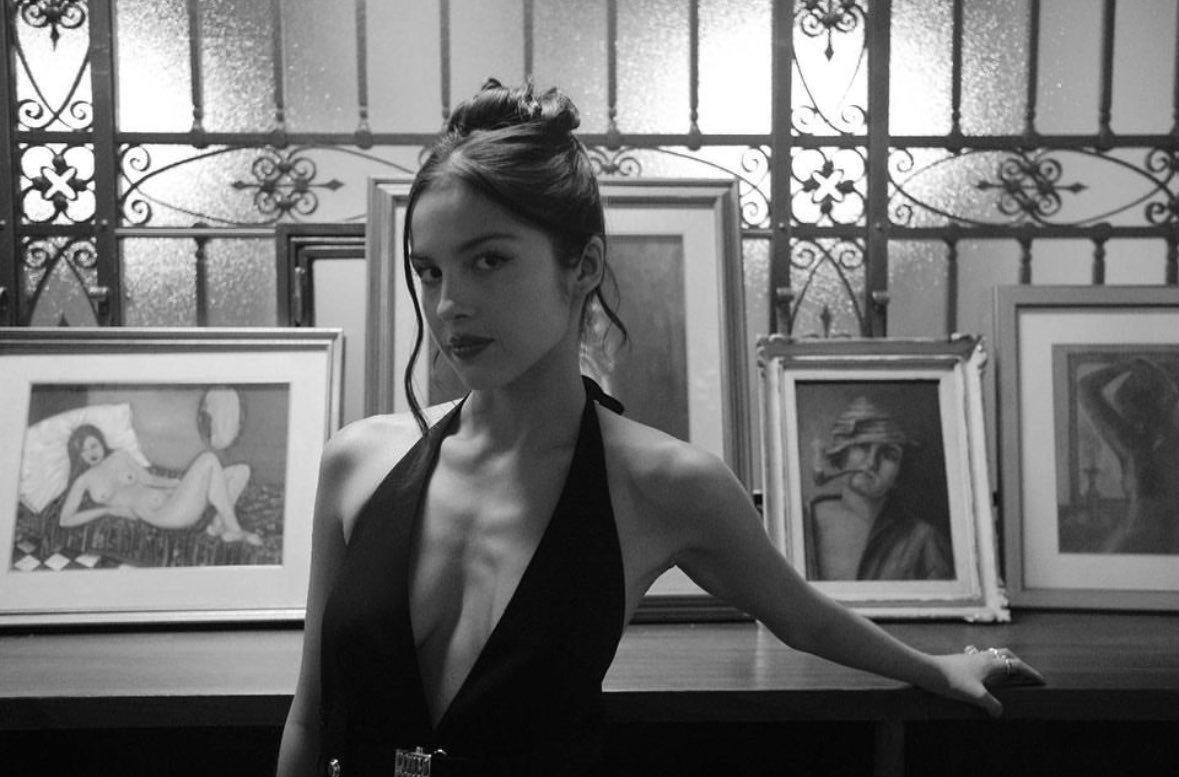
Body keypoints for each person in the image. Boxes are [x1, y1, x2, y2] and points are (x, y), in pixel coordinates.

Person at [276, 79, 1043, 777]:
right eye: (430, 270)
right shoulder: (357, 462)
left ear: (582, 266)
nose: (449, 306)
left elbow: (800, 616)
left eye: (488, 261)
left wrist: (936, 668)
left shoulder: (665, 484)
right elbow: (309, 719)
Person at [809, 396, 954, 580]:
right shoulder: (806, 519)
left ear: (900, 470)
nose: (871, 463)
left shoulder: (923, 539)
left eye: (888, 454)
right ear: (842, 453)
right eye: (862, 447)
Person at [59, 423, 260, 545]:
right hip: (164, 514)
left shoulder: (120, 456)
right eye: (83, 451)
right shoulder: (83, 481)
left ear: (101, 441)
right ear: (78, 456)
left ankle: (218, 525)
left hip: (175, 500)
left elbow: (150, 479)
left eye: (93, 445)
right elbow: (65, 520)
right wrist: (107, 511)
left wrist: (179, 484)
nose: (91, 453)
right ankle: (234, 529)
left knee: (241, 471)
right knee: (208, 459)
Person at [1078, 356, 1179, 553]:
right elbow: (1085, 388)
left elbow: (1087, 387)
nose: (1130, 421)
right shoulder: (1135, 444)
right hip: (1145, 544)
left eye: (1131, 411)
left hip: (1139, 542)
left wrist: (1126, 364)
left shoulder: (1134, 446)